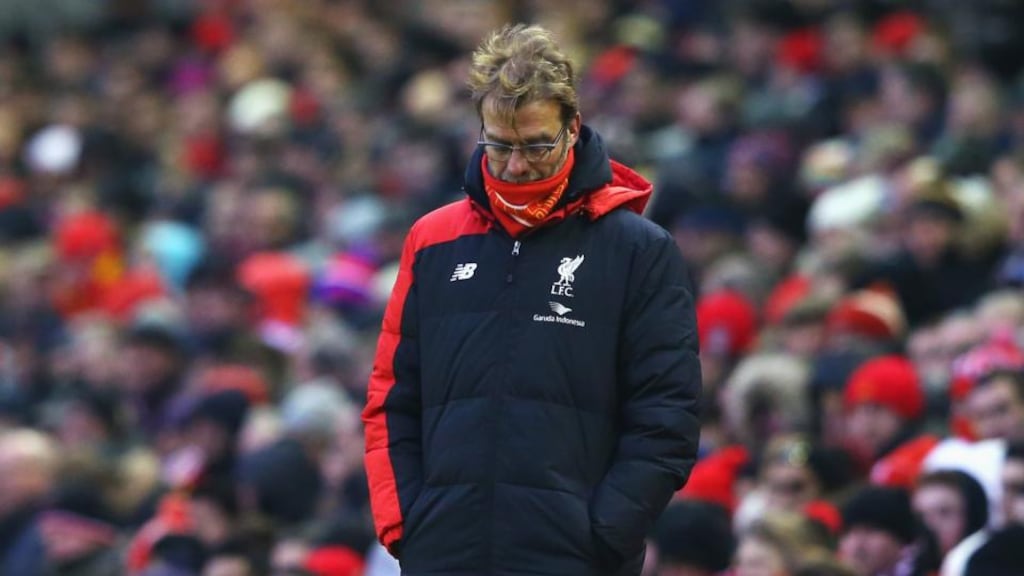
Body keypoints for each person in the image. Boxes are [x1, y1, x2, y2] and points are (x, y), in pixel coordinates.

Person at [361, 23, 702, 575]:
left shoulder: (638, 248)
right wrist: (406, 525)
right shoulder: (432, 239)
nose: (517, 165)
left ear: (573, 128)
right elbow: (391, 397)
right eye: (499, 145)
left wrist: (605, 533)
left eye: (537, 145)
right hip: (444, 552)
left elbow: (667, 416)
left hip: (575, 558)